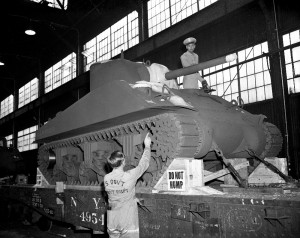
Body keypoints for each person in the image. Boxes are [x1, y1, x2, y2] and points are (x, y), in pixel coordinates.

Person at [104, 133, 152, 238]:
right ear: (123, 162)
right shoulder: (129, 176)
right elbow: (144, 164)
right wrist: (147, 146)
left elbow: (118, 193)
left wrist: (133, 198)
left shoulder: (106, 178)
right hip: (126, 219)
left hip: (112, 219)